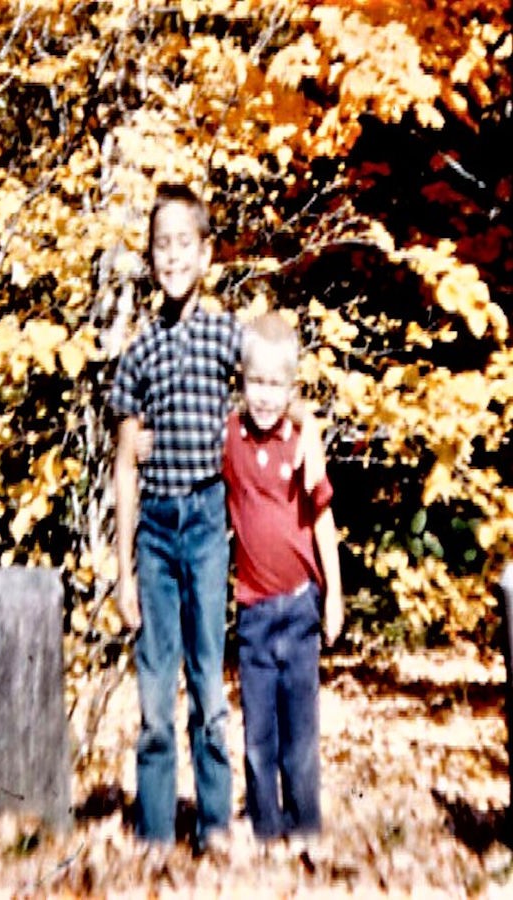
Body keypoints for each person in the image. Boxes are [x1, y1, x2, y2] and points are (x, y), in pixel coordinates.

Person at [110, 182, 325, 865]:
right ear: (150, 258)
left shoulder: (227, 334)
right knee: (154, 688)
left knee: (208, 682)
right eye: (160, 246)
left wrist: (310, 432)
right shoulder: (137, 355)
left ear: (204, 255)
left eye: (184, 244)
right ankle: (151, 833)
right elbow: (123, 464)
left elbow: (275, 388)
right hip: (153, 537)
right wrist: (120, 573)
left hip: (206, 523)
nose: (172, 257)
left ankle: (212, 823)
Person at [222, 311, 343, 863]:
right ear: (241, 381)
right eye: (255, 382)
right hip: (252, 610)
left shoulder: (301, 443)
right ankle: (265, 825)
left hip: (299, 607)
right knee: (258, 733)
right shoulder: (230, 438)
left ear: (290, 388)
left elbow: (322, 522)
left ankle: (306, 824)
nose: (265, 396)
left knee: (300, 732)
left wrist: (334, 596)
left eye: (276, 385)